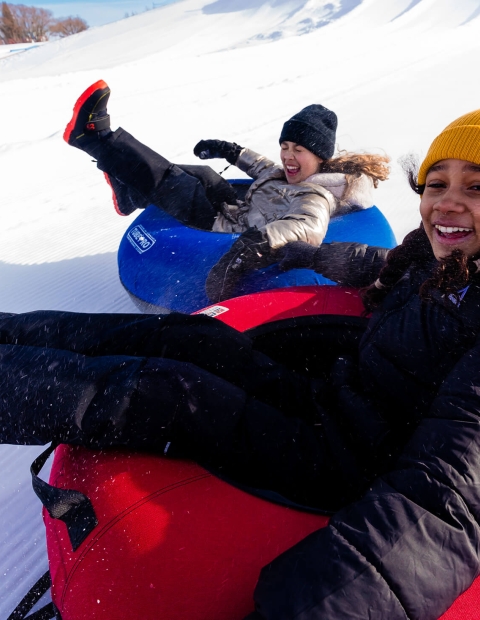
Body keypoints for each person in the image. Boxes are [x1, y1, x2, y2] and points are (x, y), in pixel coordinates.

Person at [2, 109, 480, 619]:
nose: (447, 202)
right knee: (193, 337)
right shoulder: (437, 260)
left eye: (475, 187)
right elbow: (380, 265)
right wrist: (309, 257)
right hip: (335, 399)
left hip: (343, 457)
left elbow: (442, 502)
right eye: (437, 183)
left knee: (169, 390)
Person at [64, 80, 390, 301]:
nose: (288, 156)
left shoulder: (314, 196)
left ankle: (95, 138)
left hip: (227, 230)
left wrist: (244, 252)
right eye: (285, 146)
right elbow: (260, 165)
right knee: (204, 174)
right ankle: (130, 193)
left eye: (299, 150)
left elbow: (304, 229)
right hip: (237, 209)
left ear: (320, 157)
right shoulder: (287, 175)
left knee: (179, 186)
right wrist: (228, 150)